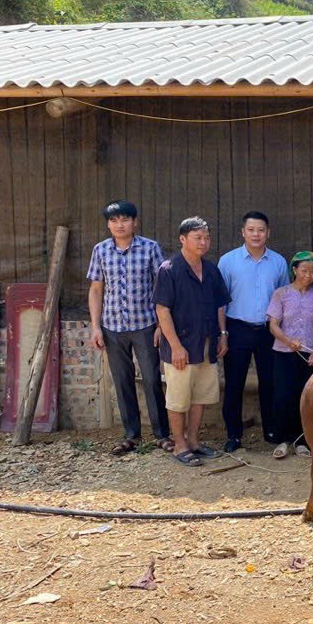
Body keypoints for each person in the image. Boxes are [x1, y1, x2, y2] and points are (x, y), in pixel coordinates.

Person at [86, 200, 173, 456]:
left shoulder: (150, 249)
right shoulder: (100, 250)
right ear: (108, 224)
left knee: (151, 379)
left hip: (145, 325)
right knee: (122, 381)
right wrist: (95, 327)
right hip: (113, 327)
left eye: (124, 220)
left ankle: (161, 434)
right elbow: (96, 289)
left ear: (134, 222)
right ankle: (131, 435)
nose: (119, 225)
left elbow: (162, 288)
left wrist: (160, 325)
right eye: (114, 221)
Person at [154, 217, 231, 467]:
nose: (203, 242)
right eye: (198, 237)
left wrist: (222, 334)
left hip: (207, 344)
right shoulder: (169, 270)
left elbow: (220, 304)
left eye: (206, 237)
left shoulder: (210, 269)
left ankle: (195, 441)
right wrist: (175, 346)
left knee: (201, 396)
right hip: (182, 346)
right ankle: (179, 445)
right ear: (183, 239)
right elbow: (162, 310)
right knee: (178, 398)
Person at [218, 211, 289, 454]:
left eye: (261, 230)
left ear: (268, 232)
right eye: (251, 230)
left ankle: (272, 431)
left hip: (268, 330)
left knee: (270, 383)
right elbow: (220, 301)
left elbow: (283, 300)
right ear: (243, 232)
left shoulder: (279, 262)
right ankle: (234, 435)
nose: (256, 234)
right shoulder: (227, 261)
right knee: (234, 383)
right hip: (236, 328)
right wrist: (223, 333)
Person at [267, 251, 313, 457]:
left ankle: (302, 441)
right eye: (304, 270)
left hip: (310, 356)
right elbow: (273, 325)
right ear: (294, 270)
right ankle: (283, 440)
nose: (308, 275)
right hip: (283, 354)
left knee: (306, 397)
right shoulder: (281, 294)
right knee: (283, 395)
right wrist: (288, 341)